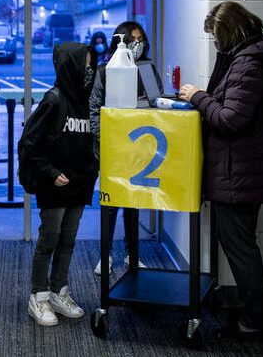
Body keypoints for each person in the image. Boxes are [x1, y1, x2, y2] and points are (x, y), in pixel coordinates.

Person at [177, 1, 263, 338]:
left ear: (228, 33)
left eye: (216, 38)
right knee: (241, 244)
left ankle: (254, 321)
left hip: (239, 173)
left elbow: (230, 119)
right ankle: (253, 315)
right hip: (243, 169)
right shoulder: (252, 58)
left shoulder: (249, 62)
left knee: (239, 246)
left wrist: (197, 97)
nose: (215, 45)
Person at [20, 42, 98, 326]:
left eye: (91, 66)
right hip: (54, 185)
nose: (89, 71)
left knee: (68, 239)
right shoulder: (53, 100)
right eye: (84, 66)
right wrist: (51, 172)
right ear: (70, 66)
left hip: (78, 184)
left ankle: (58, 291)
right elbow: (29, 143)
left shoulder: (86, 99)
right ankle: (38, 296)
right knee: (49, 239)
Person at [88, 21, 163, 275]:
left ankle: (133, 254)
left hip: (140, 148)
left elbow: (156, 105)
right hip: (111, 148)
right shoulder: (105, 71)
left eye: (141, 39)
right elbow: (94, 110)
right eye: (132, 39)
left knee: (133, 203)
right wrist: (107, 139)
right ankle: (105, 255)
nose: (137, 44)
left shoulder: (148, 70)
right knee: (109, 203)